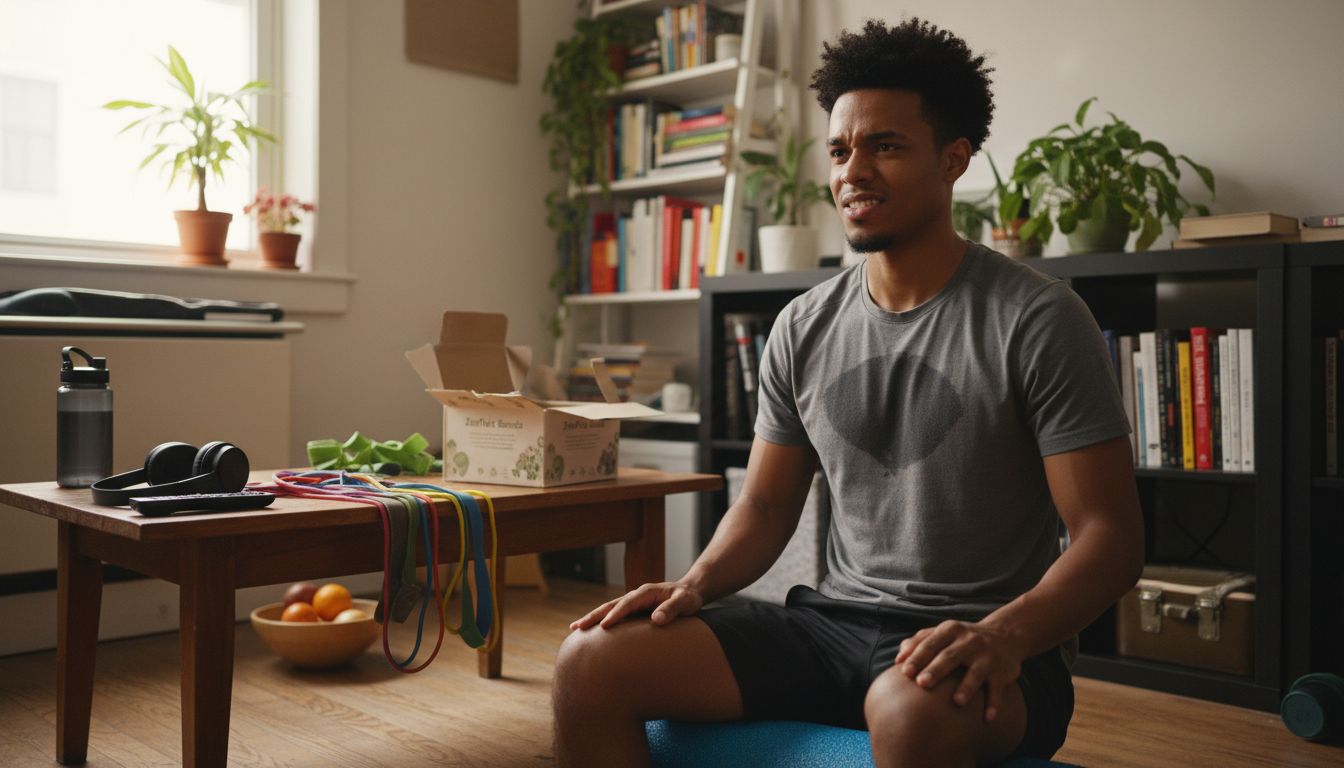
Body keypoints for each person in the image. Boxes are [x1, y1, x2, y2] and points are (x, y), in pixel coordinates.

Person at [552, 17, 1143, 768]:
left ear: (953, 160)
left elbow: (1110, 538)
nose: (852, 171)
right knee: (589, 662)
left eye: (886, 146)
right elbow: (766, 507)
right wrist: (692, 585)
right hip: (828, 626)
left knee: (908, 710)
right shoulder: (802, 324)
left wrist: (1006, 634)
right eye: (840, 150)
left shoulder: (1038, 318)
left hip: (986, 641)